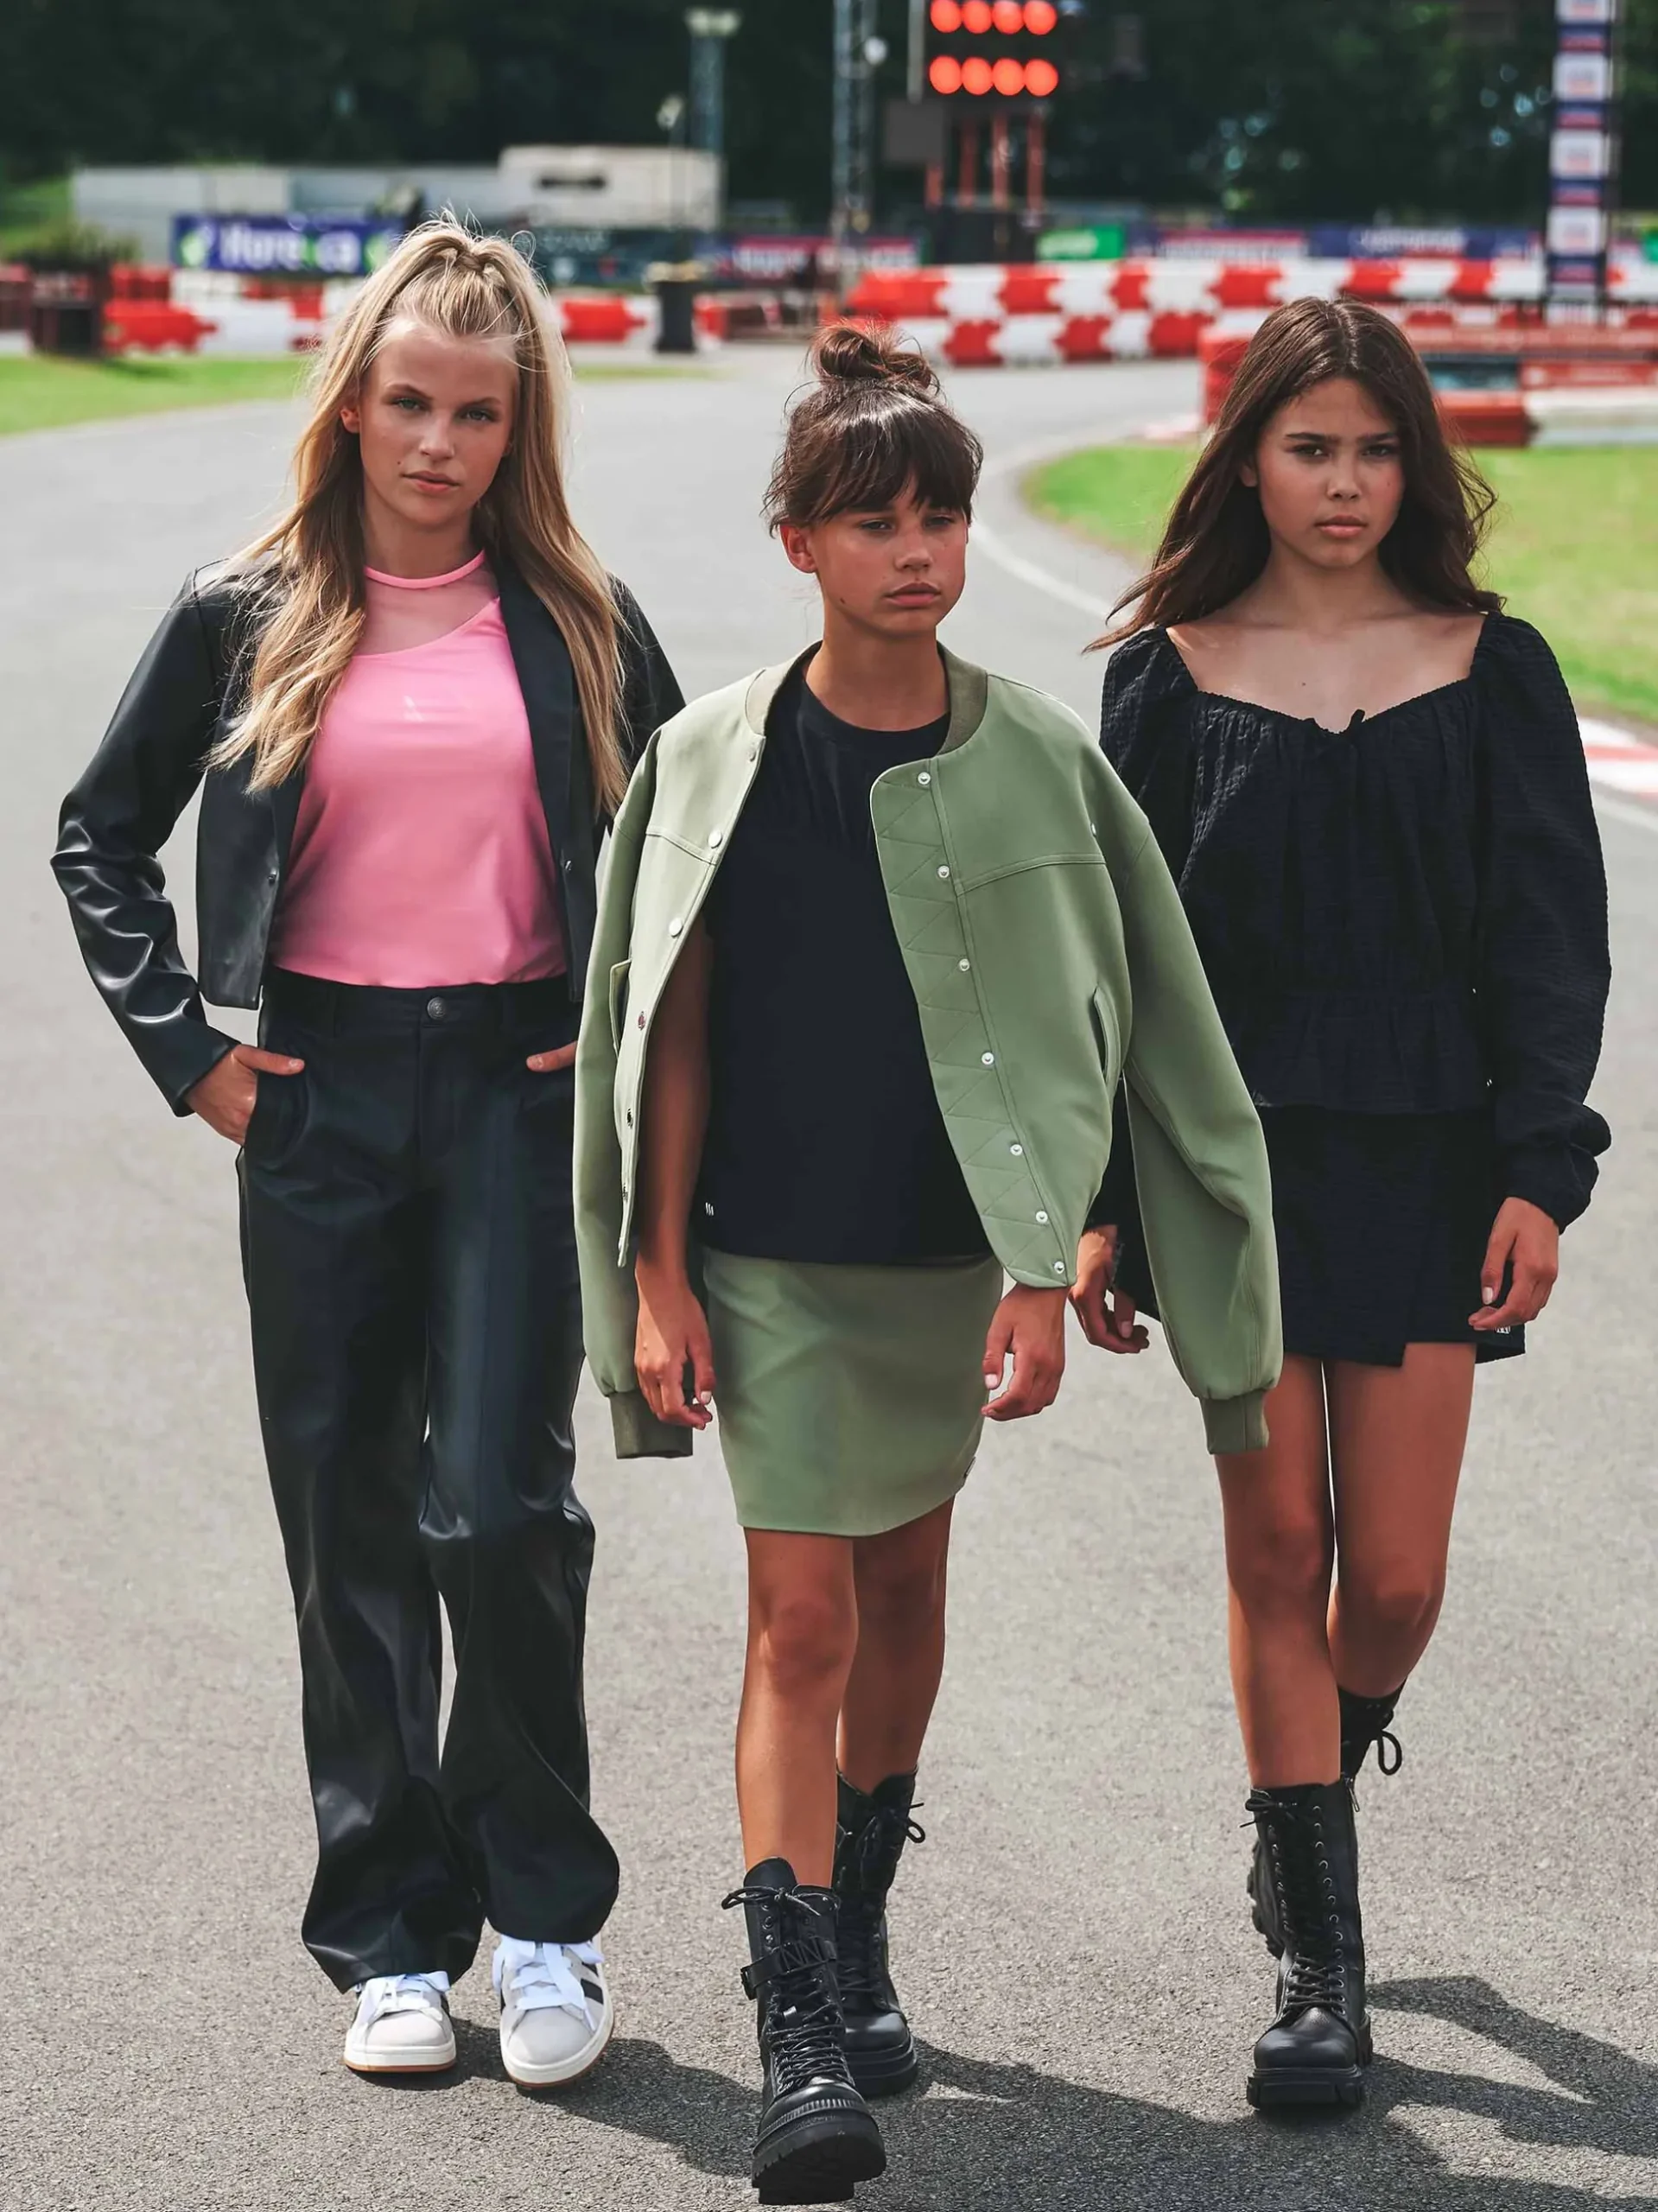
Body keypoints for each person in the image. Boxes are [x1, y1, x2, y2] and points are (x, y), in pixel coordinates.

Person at [574, 325, 1281, 2203]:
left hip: (944, 1260)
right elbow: (667, 1031)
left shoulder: (1036, 756)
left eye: (941, 519)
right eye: (875, 521)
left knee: (902, 1597)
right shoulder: (714, 760)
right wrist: (656, 1271)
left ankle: (860, 1918)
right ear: (796, 540)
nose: (916, 552)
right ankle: (797, 2025)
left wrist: (1048, 1265)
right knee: (798, 1619)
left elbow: (1100, 1021)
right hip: (763, 1261)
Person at [53, 222, 682, 2084]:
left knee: (499, 1508)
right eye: (408, 402)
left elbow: (695, 846)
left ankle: (547, 1921)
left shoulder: (579, 616)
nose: (436, 443)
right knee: (345, 1519)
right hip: (317, 1094)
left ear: (516, 427)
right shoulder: (242, 609)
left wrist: (619, 1021)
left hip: (514, 1089)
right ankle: (393, 1940)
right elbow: (98, 836)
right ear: (349, 403)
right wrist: (193, 1055)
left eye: (476, 414)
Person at [1087, 297, 1611, 2112]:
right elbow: (1112, 967)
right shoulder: (1162, 676)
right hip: (1221, 1169)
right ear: (1245, 458)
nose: (1343, 482)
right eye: (1308, 447)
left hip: (1425, 1155)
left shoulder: (1494, 665)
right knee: (1272, 1546)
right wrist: (1102, 1200)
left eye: (1375, 449)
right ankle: (1321, 1963)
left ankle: (1313, 1771)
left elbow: (1548, 940)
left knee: (1387, 1574)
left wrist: (1541, 1170)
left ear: (1414, 465)